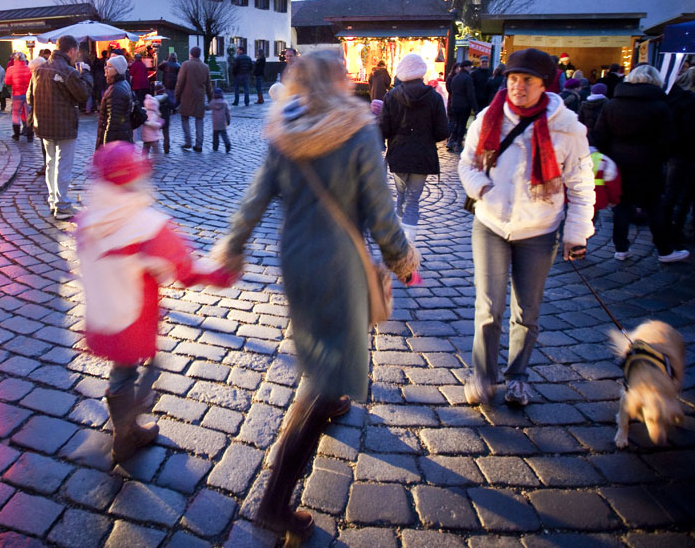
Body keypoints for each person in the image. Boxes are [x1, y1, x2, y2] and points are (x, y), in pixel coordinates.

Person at [212, 50, 419, 539]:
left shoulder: (284, 128)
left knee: (319, 352)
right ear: (336, 81)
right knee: (322, 374)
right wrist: (402, 259)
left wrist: (232, 247)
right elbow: (380, 212)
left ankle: (329, 402)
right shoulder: (357, 129)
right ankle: (274, 503)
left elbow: (255, 199)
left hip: (295, 258)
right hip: (338, 264)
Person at [76, 142, 233, 464]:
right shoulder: (146, 224)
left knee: (123, 370)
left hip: (102, 314)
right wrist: (223, 273)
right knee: (128, 370)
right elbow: (187, 271)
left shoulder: (87, 219)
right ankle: (126, 433)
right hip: (132, 318)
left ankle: (125, 427)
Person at [459, 48, 595, 407]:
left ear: (544, 84)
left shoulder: (567, 128)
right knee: (488, 307)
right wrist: (480, 187)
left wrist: (576, 233)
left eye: (527, 80)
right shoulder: (488, 118)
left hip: (539, 230)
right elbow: (466, 163)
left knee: (527, 311)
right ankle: (483, 375)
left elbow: (581, 184)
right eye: (513, 79)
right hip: (490, 223)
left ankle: (517, 376)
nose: (518, 87)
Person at [592, 65, 690, 264]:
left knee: (621, 204)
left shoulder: (612, 104)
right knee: (654, 205)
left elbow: (600, 135)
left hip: (618, 161)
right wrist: (659, 157)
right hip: (649, 163)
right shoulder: (660, 107)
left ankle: (621, 248)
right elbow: (668, 140)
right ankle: (664, 249)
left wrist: (608, 155)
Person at [379, 52, 449, 241]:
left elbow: (383, 129)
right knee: (413, 200)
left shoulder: (391, 96)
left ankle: (400, 241)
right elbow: (443, 131)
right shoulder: (434, 97)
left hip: (398, 153)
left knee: (401, 197)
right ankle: (409, 242)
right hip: (423, 154)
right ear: (421, 72)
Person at [29, 34, 93, 221]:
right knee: (63, 164)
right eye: (76, 52)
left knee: (50, 163)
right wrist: (86, 74)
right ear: (71, 50)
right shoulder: (68, 71)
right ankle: (62, 205)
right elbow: (83, 94)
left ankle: (52, 200)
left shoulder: (39, 69)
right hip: (64, 124)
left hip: (43, 124)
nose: (76, 56)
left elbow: (29, 97)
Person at [661, 66, 695, 241]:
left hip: (670, 150)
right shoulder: (693, 101)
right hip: (686, 152)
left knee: (670, 193)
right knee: (680, 194)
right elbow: (692, 130)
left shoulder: (673, 98)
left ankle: (665, 228)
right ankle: (672, 230)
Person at [176, 46, 212, 152]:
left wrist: (177, 96)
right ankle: (199, 144)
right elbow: (208, 85)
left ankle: (188, 142)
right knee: (199, 120)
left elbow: (180, 82)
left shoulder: (186, 65)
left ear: (191, 54)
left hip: (186, 97)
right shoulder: (205, 67)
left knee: (184, 118)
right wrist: (211, 98)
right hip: (199, 97)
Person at [98, 54, 134, 148]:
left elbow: (113, 121)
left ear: (117, 70)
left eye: (109, 66)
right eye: (106, 65)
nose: (106, 68)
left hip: (117, 140)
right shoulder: (123, 84)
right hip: (123, 136)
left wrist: (106, 145)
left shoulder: (116, 90)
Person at [447, 62, 477, 153]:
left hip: (454, 104)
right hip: (464, 105)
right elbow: (470, 94)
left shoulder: (455, 77)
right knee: (462, 124)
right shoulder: (467, 78)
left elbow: (452, 91)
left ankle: (451, 141)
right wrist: (475, 107)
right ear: (466, 67)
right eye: (469, 67)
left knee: (456, 123)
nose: (470, 68)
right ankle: (459, 143)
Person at [5, 53, 33, 141]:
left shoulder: (11, 69)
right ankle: (29, 135)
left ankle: (16, 134)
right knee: (28, 114)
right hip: (27, 94)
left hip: (17, 94)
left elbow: (7, 82)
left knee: (16, 114)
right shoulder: (29, 68)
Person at [140, 92, 163, 158]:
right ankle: (157, 158)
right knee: (155, 149)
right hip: (153, 137)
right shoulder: (153, 114)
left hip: (146, 136)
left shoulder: (145, 112)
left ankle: (144, 158)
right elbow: (153, 124)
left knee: (145, 148)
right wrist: (159, 124)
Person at [209, 87, 232, 152]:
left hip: (215, 123)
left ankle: (215, 147)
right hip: (222, 122)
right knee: (224, 135)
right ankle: (227, 144)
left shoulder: (212, 102)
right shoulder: (225, 103)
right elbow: (228, 113)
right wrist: (228, 120)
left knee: (215, 136)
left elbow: (208, 107)